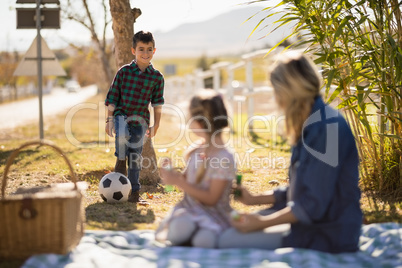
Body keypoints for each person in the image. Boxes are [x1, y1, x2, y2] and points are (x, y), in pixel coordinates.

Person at [218, 51, 363, 253]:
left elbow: (312, 205)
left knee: (228, 240)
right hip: (309, 224)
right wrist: (255, 199)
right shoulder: (313, 121)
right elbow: (305, 189)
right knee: (228, 231)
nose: (275, 98)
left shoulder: (325, 129)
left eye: (275, 90)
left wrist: (260, 222)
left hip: (327, 234)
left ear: (288, 90)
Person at [155, 90, 235, 248]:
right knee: (182, 228)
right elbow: (182, 184)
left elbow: (212, 198)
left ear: (200, 122)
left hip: (213, 216)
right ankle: (185, 235)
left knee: (203, 240)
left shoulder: (223, 158)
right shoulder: (196, 151)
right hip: (189, 212)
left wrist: (178, 181)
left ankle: (190, 238)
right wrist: (171, 176)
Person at [105, 31, 164, 204]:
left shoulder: (156, 77)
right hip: (121, 114)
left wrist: (157, 125)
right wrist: (109, 120)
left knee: (136, 156)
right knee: (122, 133)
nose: (145, 53)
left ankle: (134, 192)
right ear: (133, 51)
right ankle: (120, 160)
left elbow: (157, 103)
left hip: (140, 121)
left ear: (154, 51)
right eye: (141, 49)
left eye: (149, 49)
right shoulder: (124, 72)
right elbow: (112, 98)